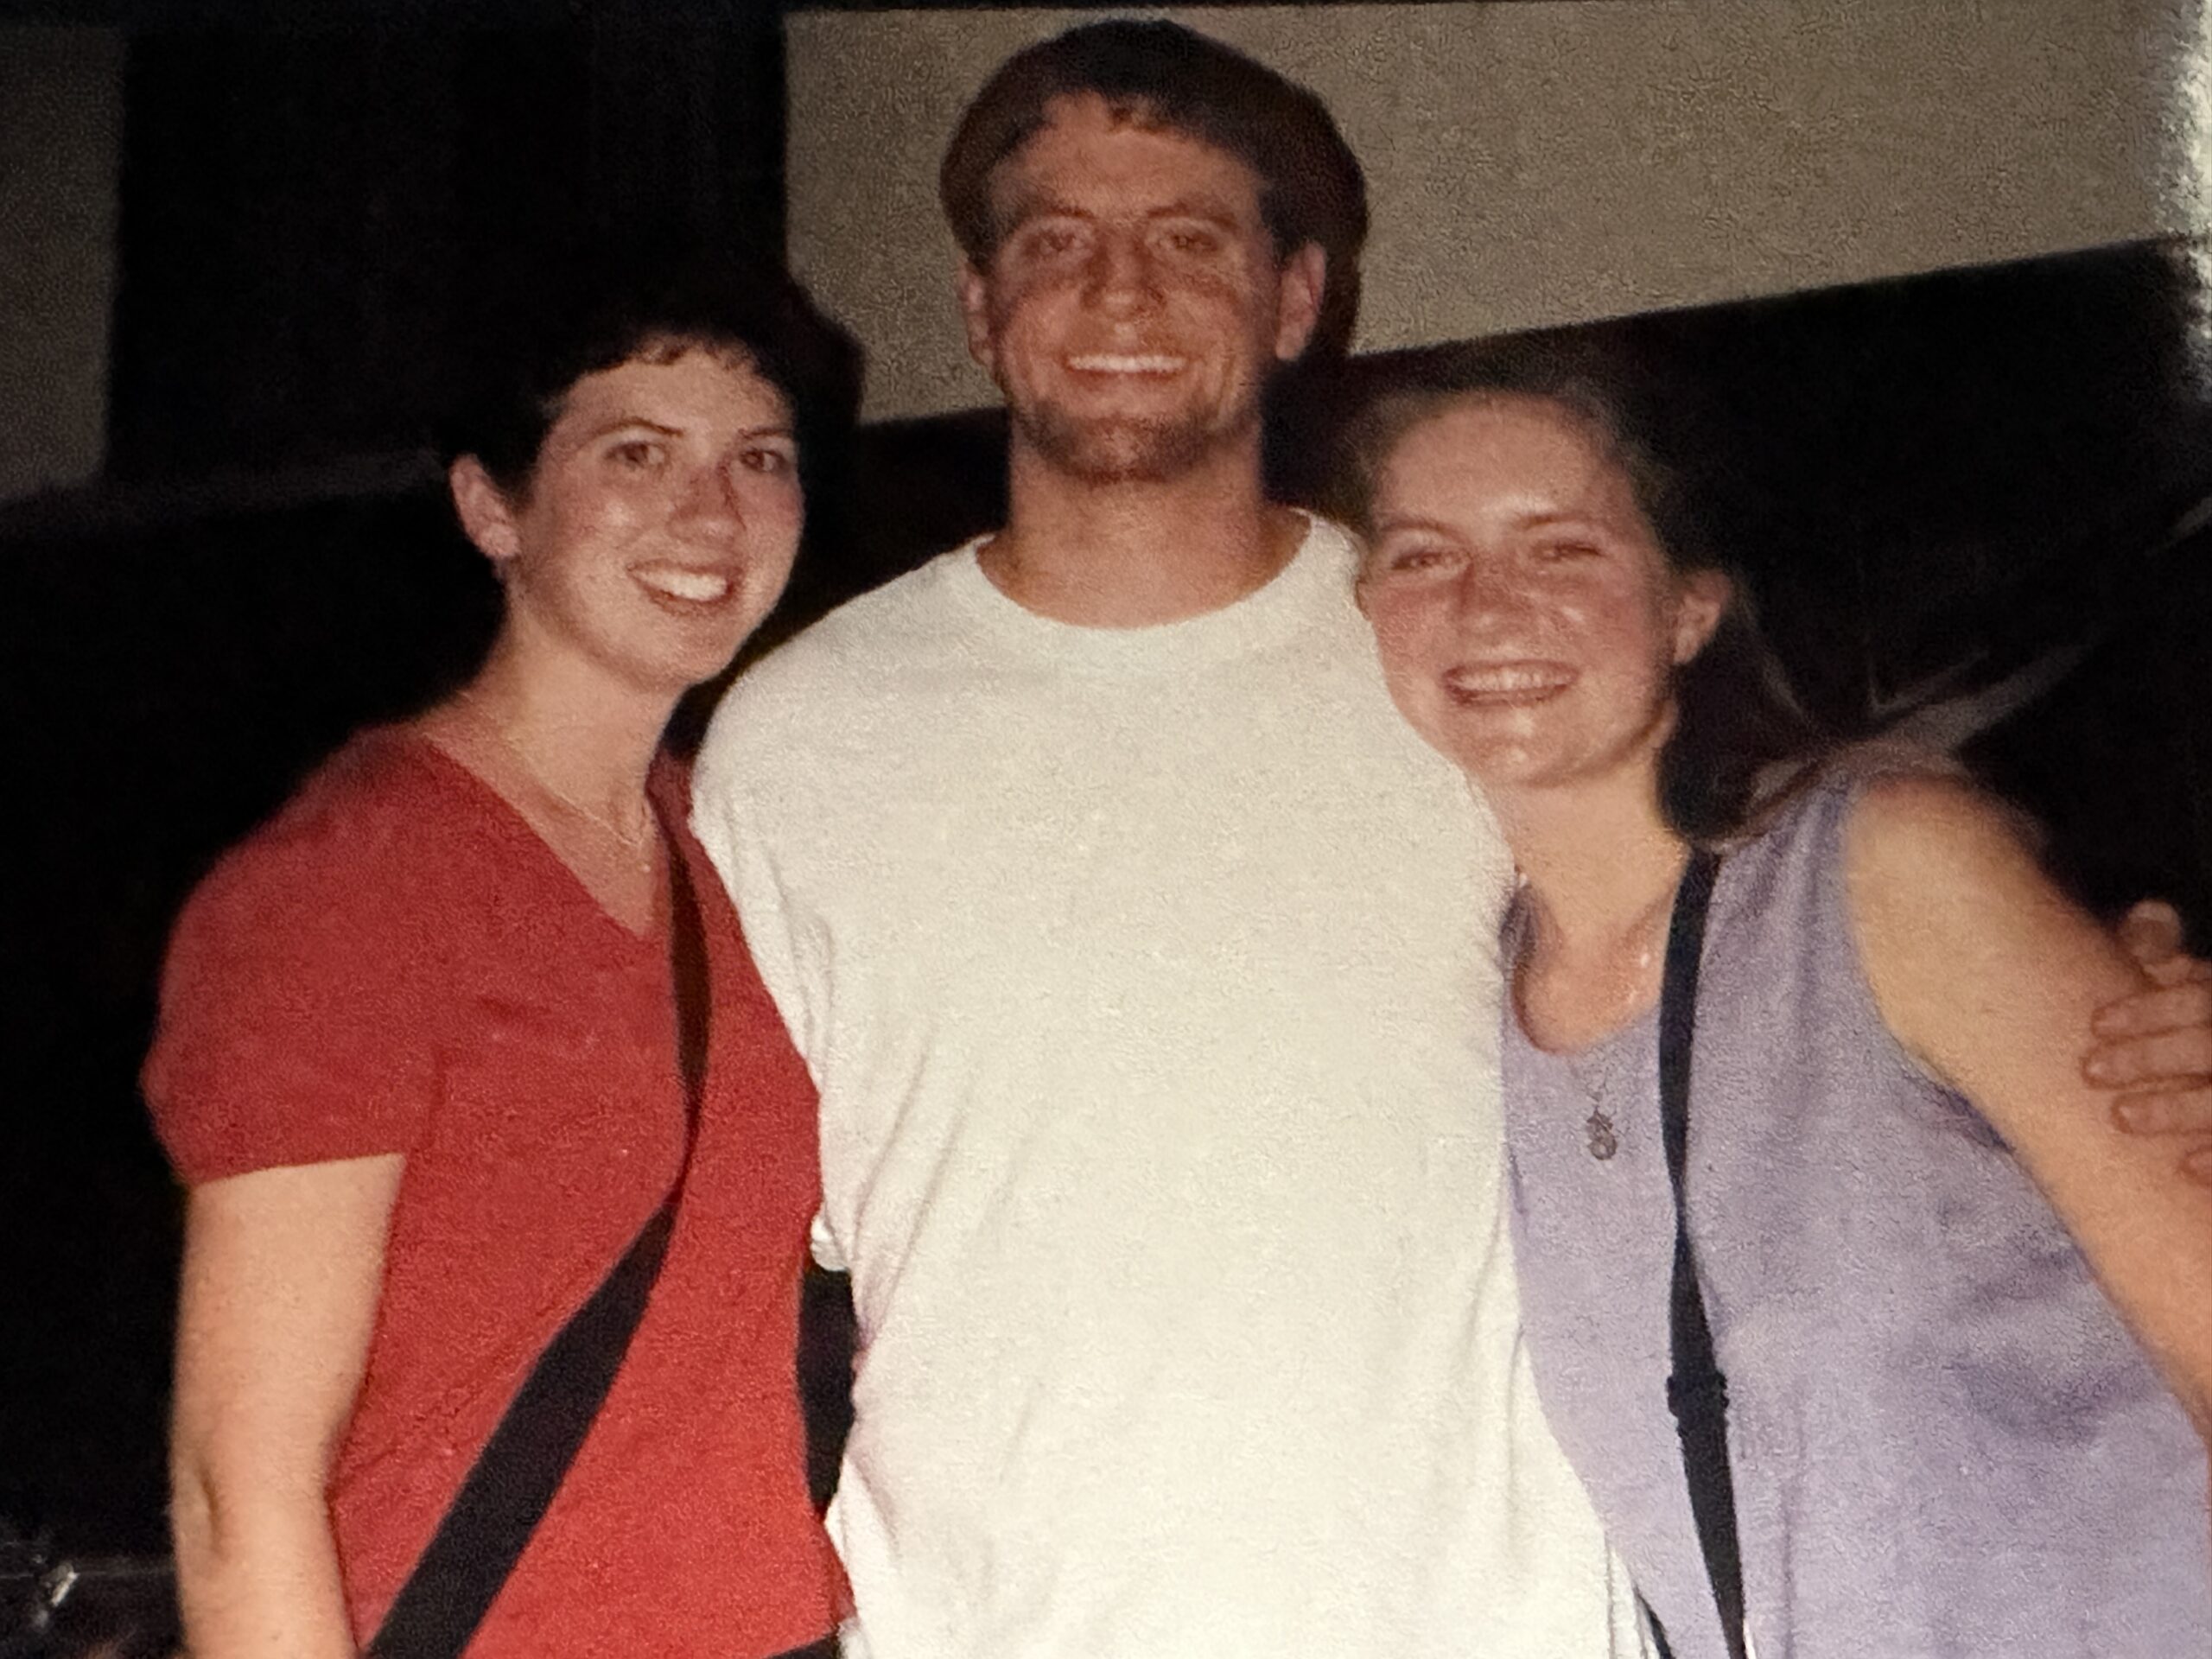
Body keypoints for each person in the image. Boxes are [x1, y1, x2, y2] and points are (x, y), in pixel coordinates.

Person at [694, 20, 2212, 1656]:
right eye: (1056, 242)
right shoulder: (798, 742)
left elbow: (1799, 919)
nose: (1120, 293)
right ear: (979, 308)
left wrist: (2103, 1015)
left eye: (1190, 239)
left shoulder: (1447, 673)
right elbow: (717, 1238)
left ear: (1298, 296)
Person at [1345, 340, 2212, 1656]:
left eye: (1561, 549)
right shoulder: (1481, 1002)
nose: (1486, 607)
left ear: (1688, 605)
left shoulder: (1887, 868)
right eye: (1423, 556)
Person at [145, 249, 861, 1658]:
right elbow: (240, 1488)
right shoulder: (347, 884)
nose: (709, 512)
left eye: (759, 458)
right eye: (636, 452)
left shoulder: (728, 836)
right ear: (493, 504)